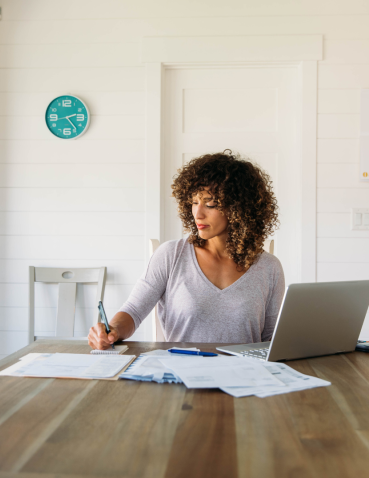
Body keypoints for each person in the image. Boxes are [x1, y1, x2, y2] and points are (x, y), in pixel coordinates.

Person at [88, 150, 285, 350]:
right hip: (181, 374)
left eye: (210, 204)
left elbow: (271, 340)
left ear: (239, 208)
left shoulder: (269, 267)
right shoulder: (171, 255)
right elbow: (133, 311)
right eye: (193, 202)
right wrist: (112, 330)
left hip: (245, 376)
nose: (197, 214)